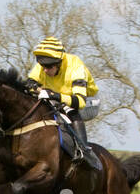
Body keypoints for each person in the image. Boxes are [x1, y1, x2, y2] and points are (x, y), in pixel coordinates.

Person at [24, 37, 100, 170]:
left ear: (59, 63)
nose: (45, 70)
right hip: (60, 98)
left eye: (49, 66)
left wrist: (54, 95)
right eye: (43, 66)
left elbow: (80, 102)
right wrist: (42, 90)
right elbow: (29, 84)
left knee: (70, 109)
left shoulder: (76, 67)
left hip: (88, 101)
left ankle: (84, 150)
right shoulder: (44, 65)